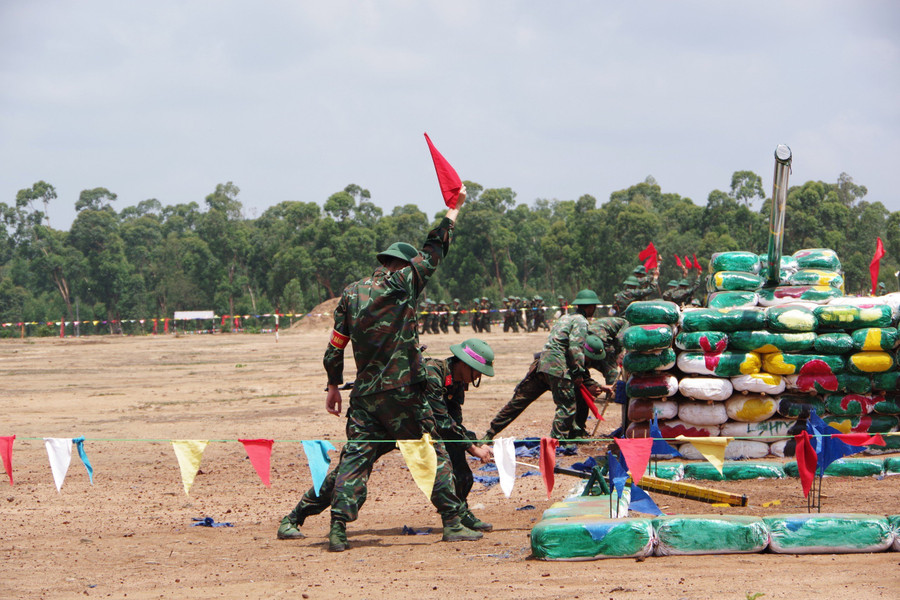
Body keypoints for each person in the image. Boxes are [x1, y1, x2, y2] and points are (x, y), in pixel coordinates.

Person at [316, 186, 482, 552]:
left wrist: (332, 385)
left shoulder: (350, 294)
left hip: (364, 395)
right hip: (405, 391)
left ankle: (338, 527)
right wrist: (454, 209)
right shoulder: (404, 283)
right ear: (403, 265)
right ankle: (453, 522)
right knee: (430, 448)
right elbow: (435, 248)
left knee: (356, 456)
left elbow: (334, 348)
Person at [277, 339, 497, 540]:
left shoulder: (456, 384)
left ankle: (459, 514)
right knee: (347, 473)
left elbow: (454, 423)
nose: (477, 378)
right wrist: (473, 448)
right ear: (464, 364)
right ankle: (293, 518)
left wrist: (473, 443)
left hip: (411, 428)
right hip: (386, 425)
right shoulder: (432, 373)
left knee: (453, 460)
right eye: (477, 372)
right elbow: (442, 422)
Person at [483, 289, 601, 442]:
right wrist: (578, 373)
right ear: (590, 307)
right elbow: (575, 347)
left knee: (519, 401)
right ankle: (556, 442)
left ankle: (489, 434)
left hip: (543, 363)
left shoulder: (565, 318)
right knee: (566, 406)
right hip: (559, 366)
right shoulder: (581, 322)